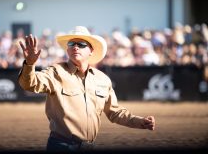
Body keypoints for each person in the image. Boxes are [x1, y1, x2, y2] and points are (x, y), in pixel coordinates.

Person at [18, 26, 155, 152]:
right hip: (61, 146)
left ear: (91, 51)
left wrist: (140, 122)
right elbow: (30, 84)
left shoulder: (102, 79)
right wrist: (29, 64)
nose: (75, 47)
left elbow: (115, 112)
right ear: (67, 50)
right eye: (71, 44)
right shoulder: (56, 72)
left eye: (81, 44)